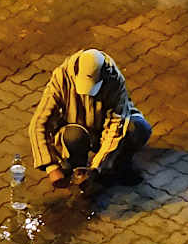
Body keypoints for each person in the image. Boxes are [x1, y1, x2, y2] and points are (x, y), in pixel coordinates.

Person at [29, 49, 151, 191]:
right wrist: (51, 167)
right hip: (77, 129)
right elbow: (38, 124)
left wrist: (96, 166)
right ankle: (76, 168)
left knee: (138, 129)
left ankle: (118, 165)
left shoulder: (114, 80)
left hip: (104, 129)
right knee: (73, 136)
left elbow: (116, 124)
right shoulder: (61, 77)